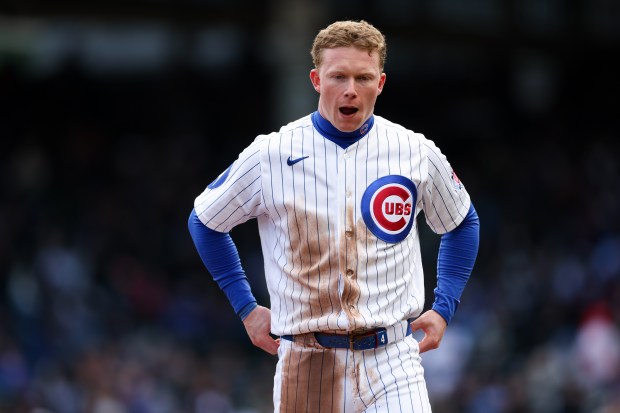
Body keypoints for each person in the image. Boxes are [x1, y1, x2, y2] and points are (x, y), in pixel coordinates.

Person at [188, 19, 479, 412]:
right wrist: (246, 308)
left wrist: (444, 307)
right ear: (315, 80)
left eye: (363, 77)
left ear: (381, 83)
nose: (350, 89)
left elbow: (462, 221)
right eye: (338, 76)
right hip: (308, 361)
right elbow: (205, 220)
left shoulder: (414, 151)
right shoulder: (270, 154)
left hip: (392, 357)